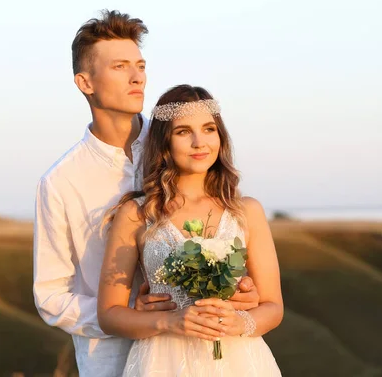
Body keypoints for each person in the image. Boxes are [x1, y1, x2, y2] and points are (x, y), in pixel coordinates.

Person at [32, 10, 259, 377]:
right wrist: (123, 312)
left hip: (208, 354)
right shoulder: (60, 182)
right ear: (85, 82)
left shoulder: (182, 140)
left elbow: (225, 224)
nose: (137, 76)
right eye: (120, 66)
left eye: (140, 64)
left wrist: (242, 288)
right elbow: (51, 295)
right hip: (112, 361)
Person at [97, 84, 283, 376]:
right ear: (164, 142)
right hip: (162, 361)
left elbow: (273, 307)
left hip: (237, 360)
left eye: (209, 129)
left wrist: (240, 322)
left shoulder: (247, 211)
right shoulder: (136, 214)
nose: (200, 142)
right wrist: (170, 321)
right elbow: (109, 315)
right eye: (183, 132)